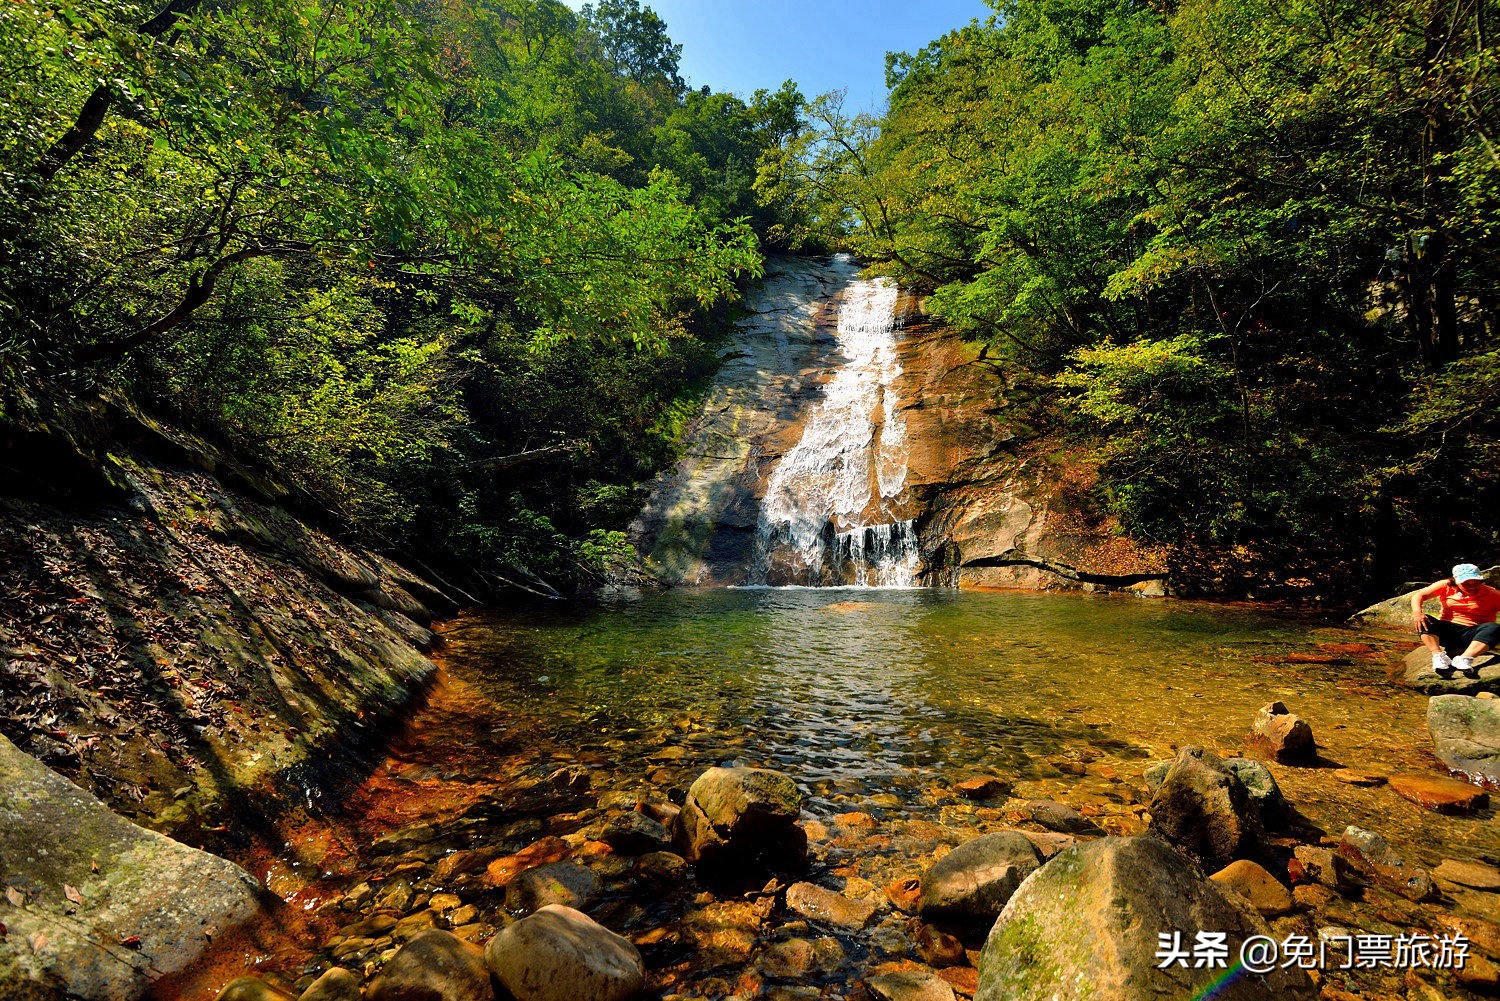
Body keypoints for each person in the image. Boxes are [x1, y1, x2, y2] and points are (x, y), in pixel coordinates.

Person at [1412, 563, 1500, 679]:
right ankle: (1438, 655)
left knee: (1494, 627)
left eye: (1476, 582)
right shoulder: (1446, 585)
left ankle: (1465, 658)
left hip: (1474, 635)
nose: (1472, 586)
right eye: (1466, 583)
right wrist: (1417, 612)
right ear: (1456, 581)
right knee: (1424, 620)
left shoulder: (1492, 593)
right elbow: (1418, 595)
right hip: (1447, 631)